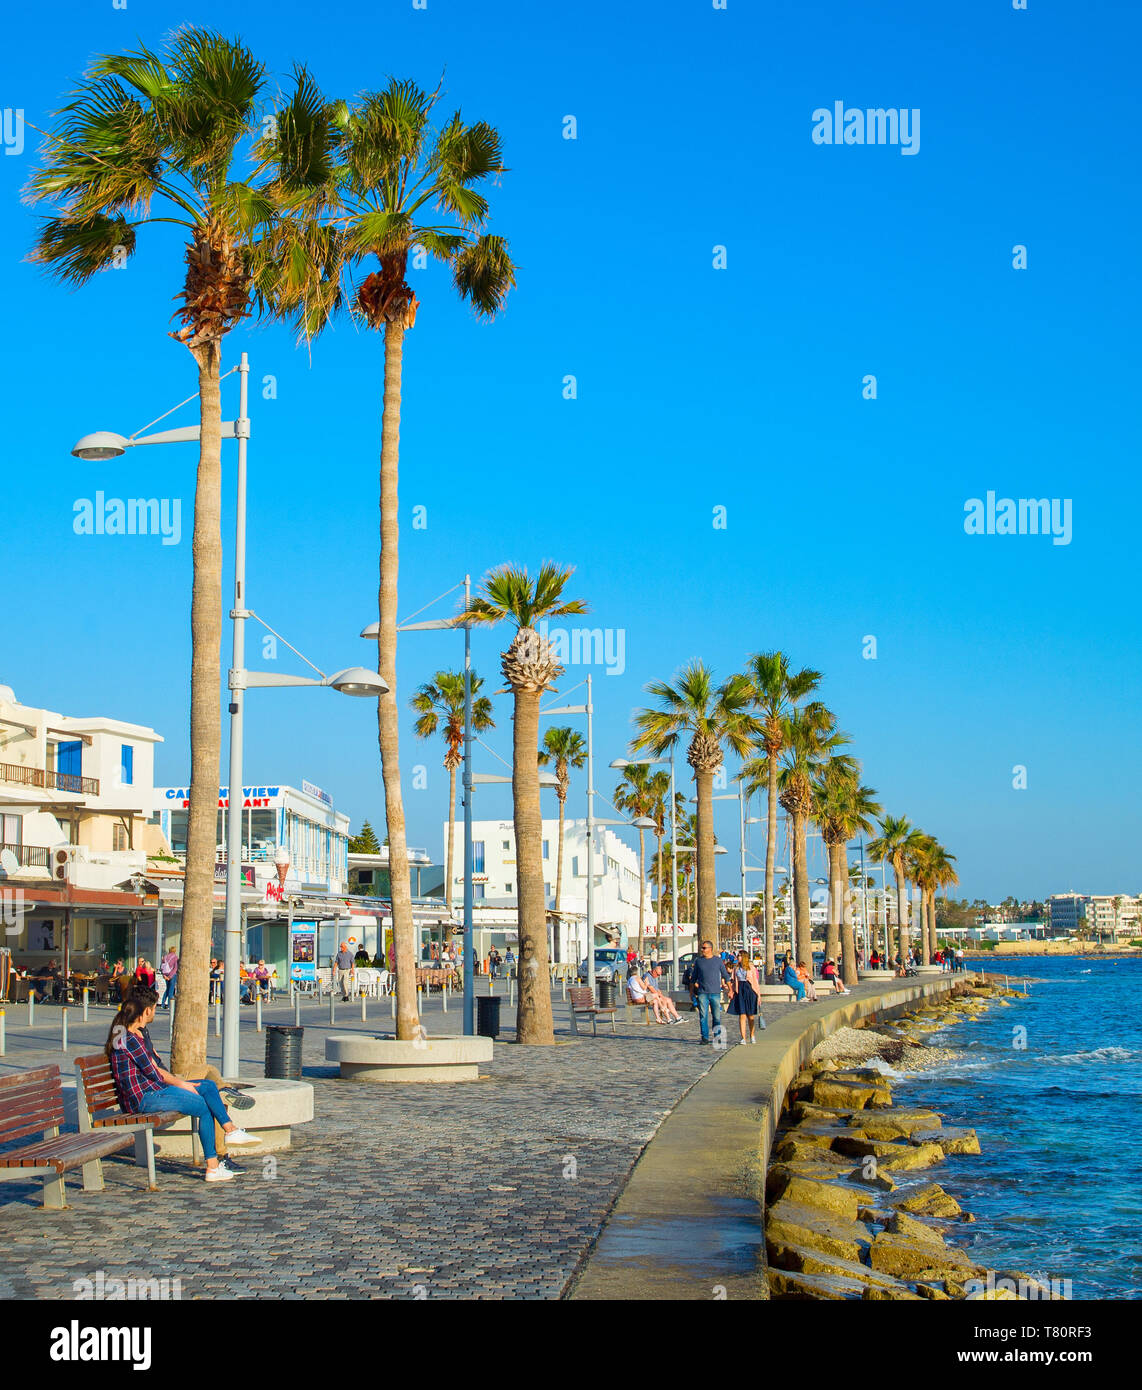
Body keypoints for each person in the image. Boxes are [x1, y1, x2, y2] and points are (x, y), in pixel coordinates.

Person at [106, 992, 260, 1182]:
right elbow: (154, 1073)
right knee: (203, 1106)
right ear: (146, 1011)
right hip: (144, 1099)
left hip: (152, 1091)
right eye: (154, 1009)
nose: (155, 1012)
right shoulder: (129, 1040)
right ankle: (212, 1167)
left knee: (209, 1086)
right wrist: (183, 1085)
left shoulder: (132, 1035)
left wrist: (184, 1085)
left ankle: (230, 1130)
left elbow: (155, 1069)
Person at [688, 939, 732, 1044]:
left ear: (710, 949)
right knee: (703, 1016)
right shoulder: (698, 961)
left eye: (704, 948)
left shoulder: (717, 961)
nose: (702, 950)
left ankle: (717, 1036)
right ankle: (705, 1037)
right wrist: (691, 992)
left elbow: (726, 976)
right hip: (702, 993)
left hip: (715, 993)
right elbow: (693, 978)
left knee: (716, 1016)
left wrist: (730, 990)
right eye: (702, 948)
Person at [727, 950, 764, 1043]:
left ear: (743, 957)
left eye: (739, 956)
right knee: (742, 1014)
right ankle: (743, 1037)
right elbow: (733, 981)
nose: (738, 957)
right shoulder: (736, 968)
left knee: (750, 1015)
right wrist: (731, 991)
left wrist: (758, 996)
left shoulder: (751, 968)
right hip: (740, 991)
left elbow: (755, 982)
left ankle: (752, 1034)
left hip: (750, 990)